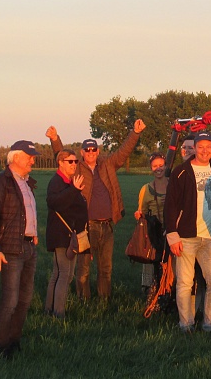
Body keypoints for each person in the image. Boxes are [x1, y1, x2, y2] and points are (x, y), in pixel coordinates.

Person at [47, 118, 145, 301]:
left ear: (98, 151)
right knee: (83, 267)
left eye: (94, 150)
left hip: (107, 225)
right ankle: (83, 300)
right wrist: (54, 139)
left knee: (105, 267)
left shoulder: (108, 164)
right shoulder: (76, 167)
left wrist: (135, 133)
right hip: (87, 226)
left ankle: (104, 299)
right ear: (82, 152)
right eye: (87, 150)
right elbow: (62, 156)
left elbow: (124, 151)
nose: (91, 153)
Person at [0, 140, 40, 358]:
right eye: (29, 156)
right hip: (10, 249)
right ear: (15, 157)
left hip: (28, 247)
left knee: (24, 300)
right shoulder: (0, 182)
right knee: (10, 300)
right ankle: (0, 347)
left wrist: (33, 234)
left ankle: (14, 343)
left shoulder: (27, 183)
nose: (33, 160)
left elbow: (26, 213)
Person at [164, 131, 211, 333]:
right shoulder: (181, 172)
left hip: (209, 237)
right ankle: (186, 325)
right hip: (185, 236)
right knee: (185, 283)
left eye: (208, 147)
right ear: (195, 149)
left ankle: (210, 324)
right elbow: (170, 205)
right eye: (201, 147)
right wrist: (172, 235)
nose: (204, 151)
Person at [45, 149, 88, 319]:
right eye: (70, 161)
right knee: (63, 273)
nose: (74, 164)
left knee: (63, 274)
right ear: (60, 163)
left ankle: (50, 310)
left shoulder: (69, 181)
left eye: (76, 161)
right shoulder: (56, 182)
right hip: (61, 235)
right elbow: (54, 202)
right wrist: (74, 190)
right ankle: (58, 313)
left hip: (71, 235)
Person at [135, 153, 168, 292]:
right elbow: (141, 212)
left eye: (161, 165)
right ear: (151, 168)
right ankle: (151, 291)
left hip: (171, 231)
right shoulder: (146, 189)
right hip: (154, 233)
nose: (158, 168)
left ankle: (167, 291)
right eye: (155, 166)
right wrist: (139, 215)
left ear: (165, 166)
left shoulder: (173, 185)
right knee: (152, 263)